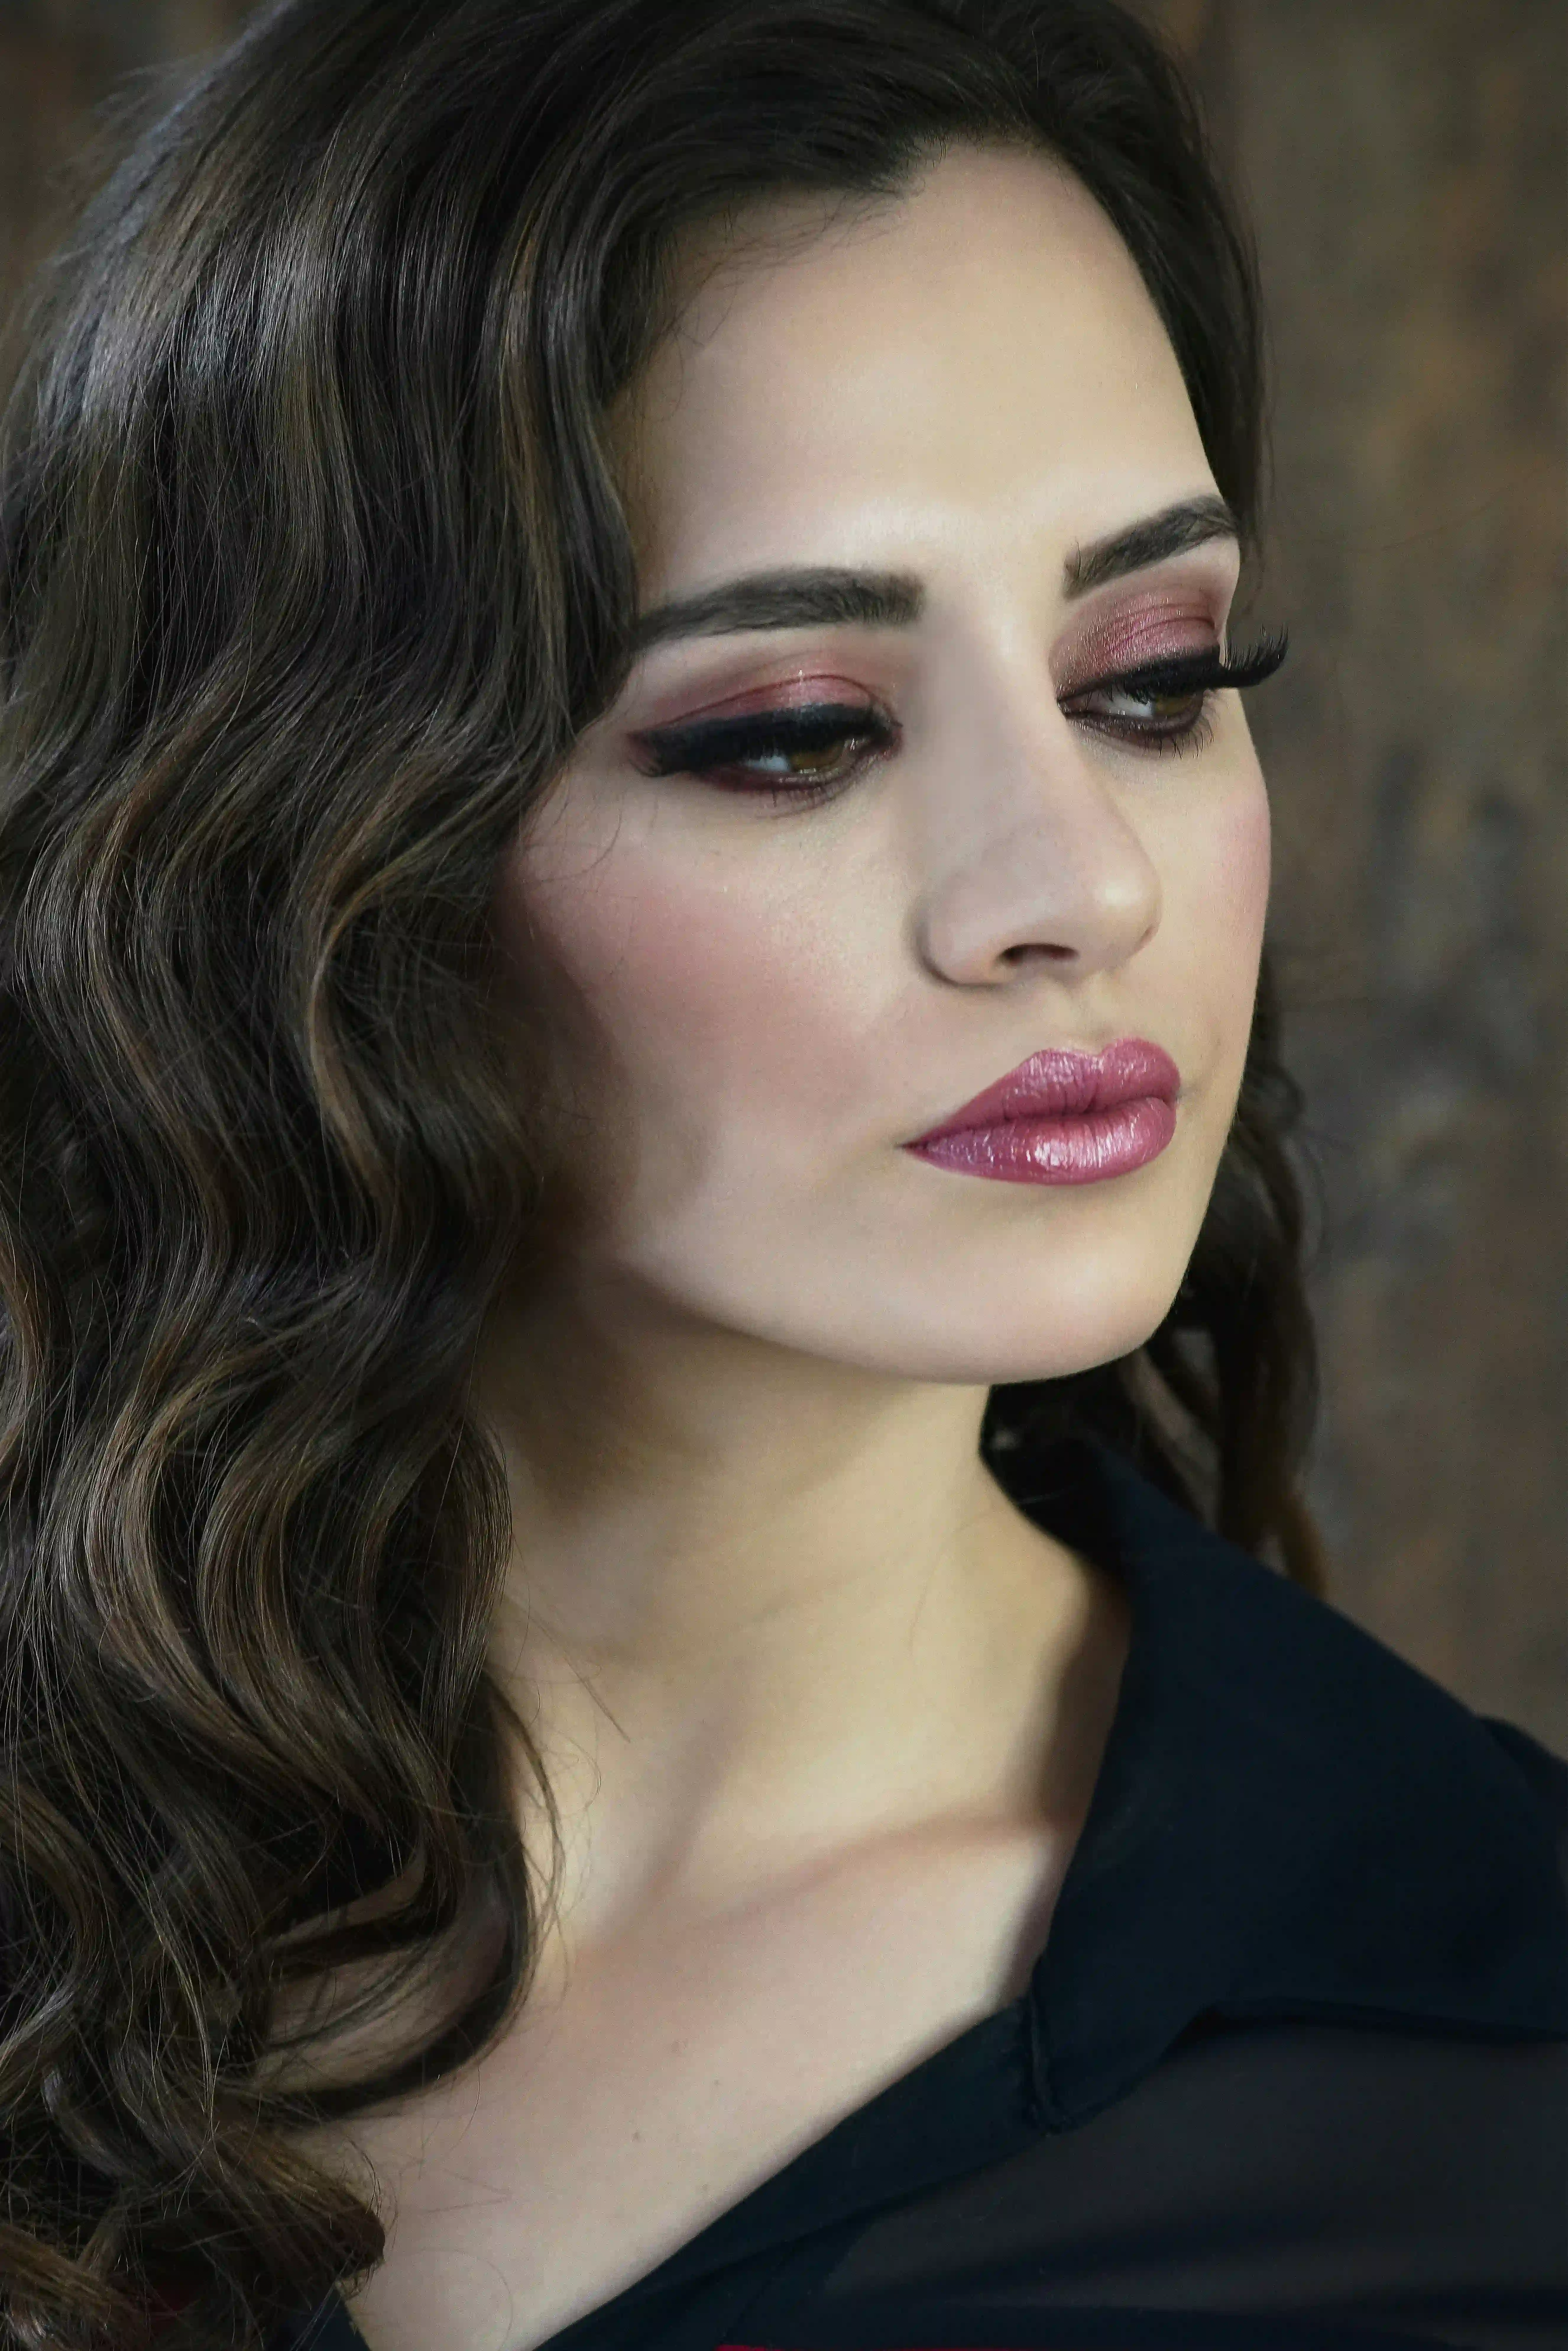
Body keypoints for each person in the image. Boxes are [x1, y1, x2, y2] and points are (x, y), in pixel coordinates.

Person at [0, 3, 1562, 2348]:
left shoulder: (1488, 2069)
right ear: (304, 850)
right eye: (796, 733)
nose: (1077, 883)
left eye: (1150, 677)